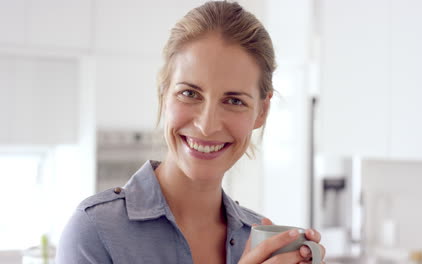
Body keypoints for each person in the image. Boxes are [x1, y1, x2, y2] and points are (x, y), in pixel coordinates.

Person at [56, 1, 326, 263]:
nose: (207, 125)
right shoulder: (95, 232)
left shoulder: (259, 241)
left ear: (262, 111)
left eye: (234, 101)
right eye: (189, 93)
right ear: (164, 96)